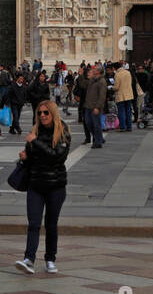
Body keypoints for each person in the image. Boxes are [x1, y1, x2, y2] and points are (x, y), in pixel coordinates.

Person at [15, 100, 71, 275]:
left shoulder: (62, 132)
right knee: (33, 223)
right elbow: (33, 159)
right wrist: (24, 158)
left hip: (56, 185)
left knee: (51, 224)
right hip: (36, 184)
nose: (42, 116)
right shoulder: (35, 131)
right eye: (39, 113)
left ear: (53, 113)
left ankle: (50, 259)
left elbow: (56, 157)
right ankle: (29, 259)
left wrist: (36, 142)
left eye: (46, 112)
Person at [82, 63, 107, 148]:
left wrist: (97, 107)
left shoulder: (102, 81)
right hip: (88, 105)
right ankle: (99, 137)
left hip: (95, 107)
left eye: (95, 69)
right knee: (88, 123)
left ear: (99, 71)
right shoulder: (92, 80)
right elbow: (83, 85)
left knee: (96, 124)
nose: (93, 70)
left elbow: (102, 96)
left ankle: (98, 142)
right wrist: (83, 75)